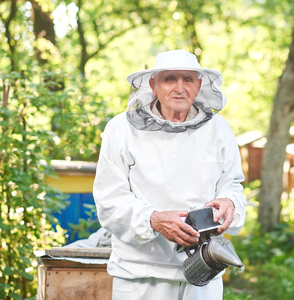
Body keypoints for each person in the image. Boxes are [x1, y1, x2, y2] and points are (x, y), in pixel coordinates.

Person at [93, 49, 246, 300]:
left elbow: (233, 184)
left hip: (204, 272)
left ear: (198, 86)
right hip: (140, 275)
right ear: (153, 85)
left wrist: (228, 202)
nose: (180, 87)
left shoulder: (219, 129)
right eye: (170, 79)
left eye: (188, 80)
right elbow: (110, 200)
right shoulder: (120, 129)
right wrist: (153, 219)